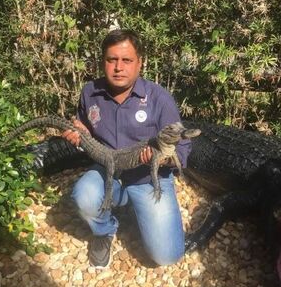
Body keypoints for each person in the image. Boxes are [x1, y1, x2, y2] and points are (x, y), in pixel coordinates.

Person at [63, 29, 191, 268]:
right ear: (103, 61)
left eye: (126, 60)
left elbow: (182, 143)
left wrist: (162, 159)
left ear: (139, 63)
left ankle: (137, 207)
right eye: (112, 59)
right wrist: (81, 135)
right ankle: (104, 231)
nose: (118, 67)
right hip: (109, 170)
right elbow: (85, 130)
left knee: (167, 256)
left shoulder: (159, 98)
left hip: (148, 177)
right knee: (85, 196)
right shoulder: (90, 92)